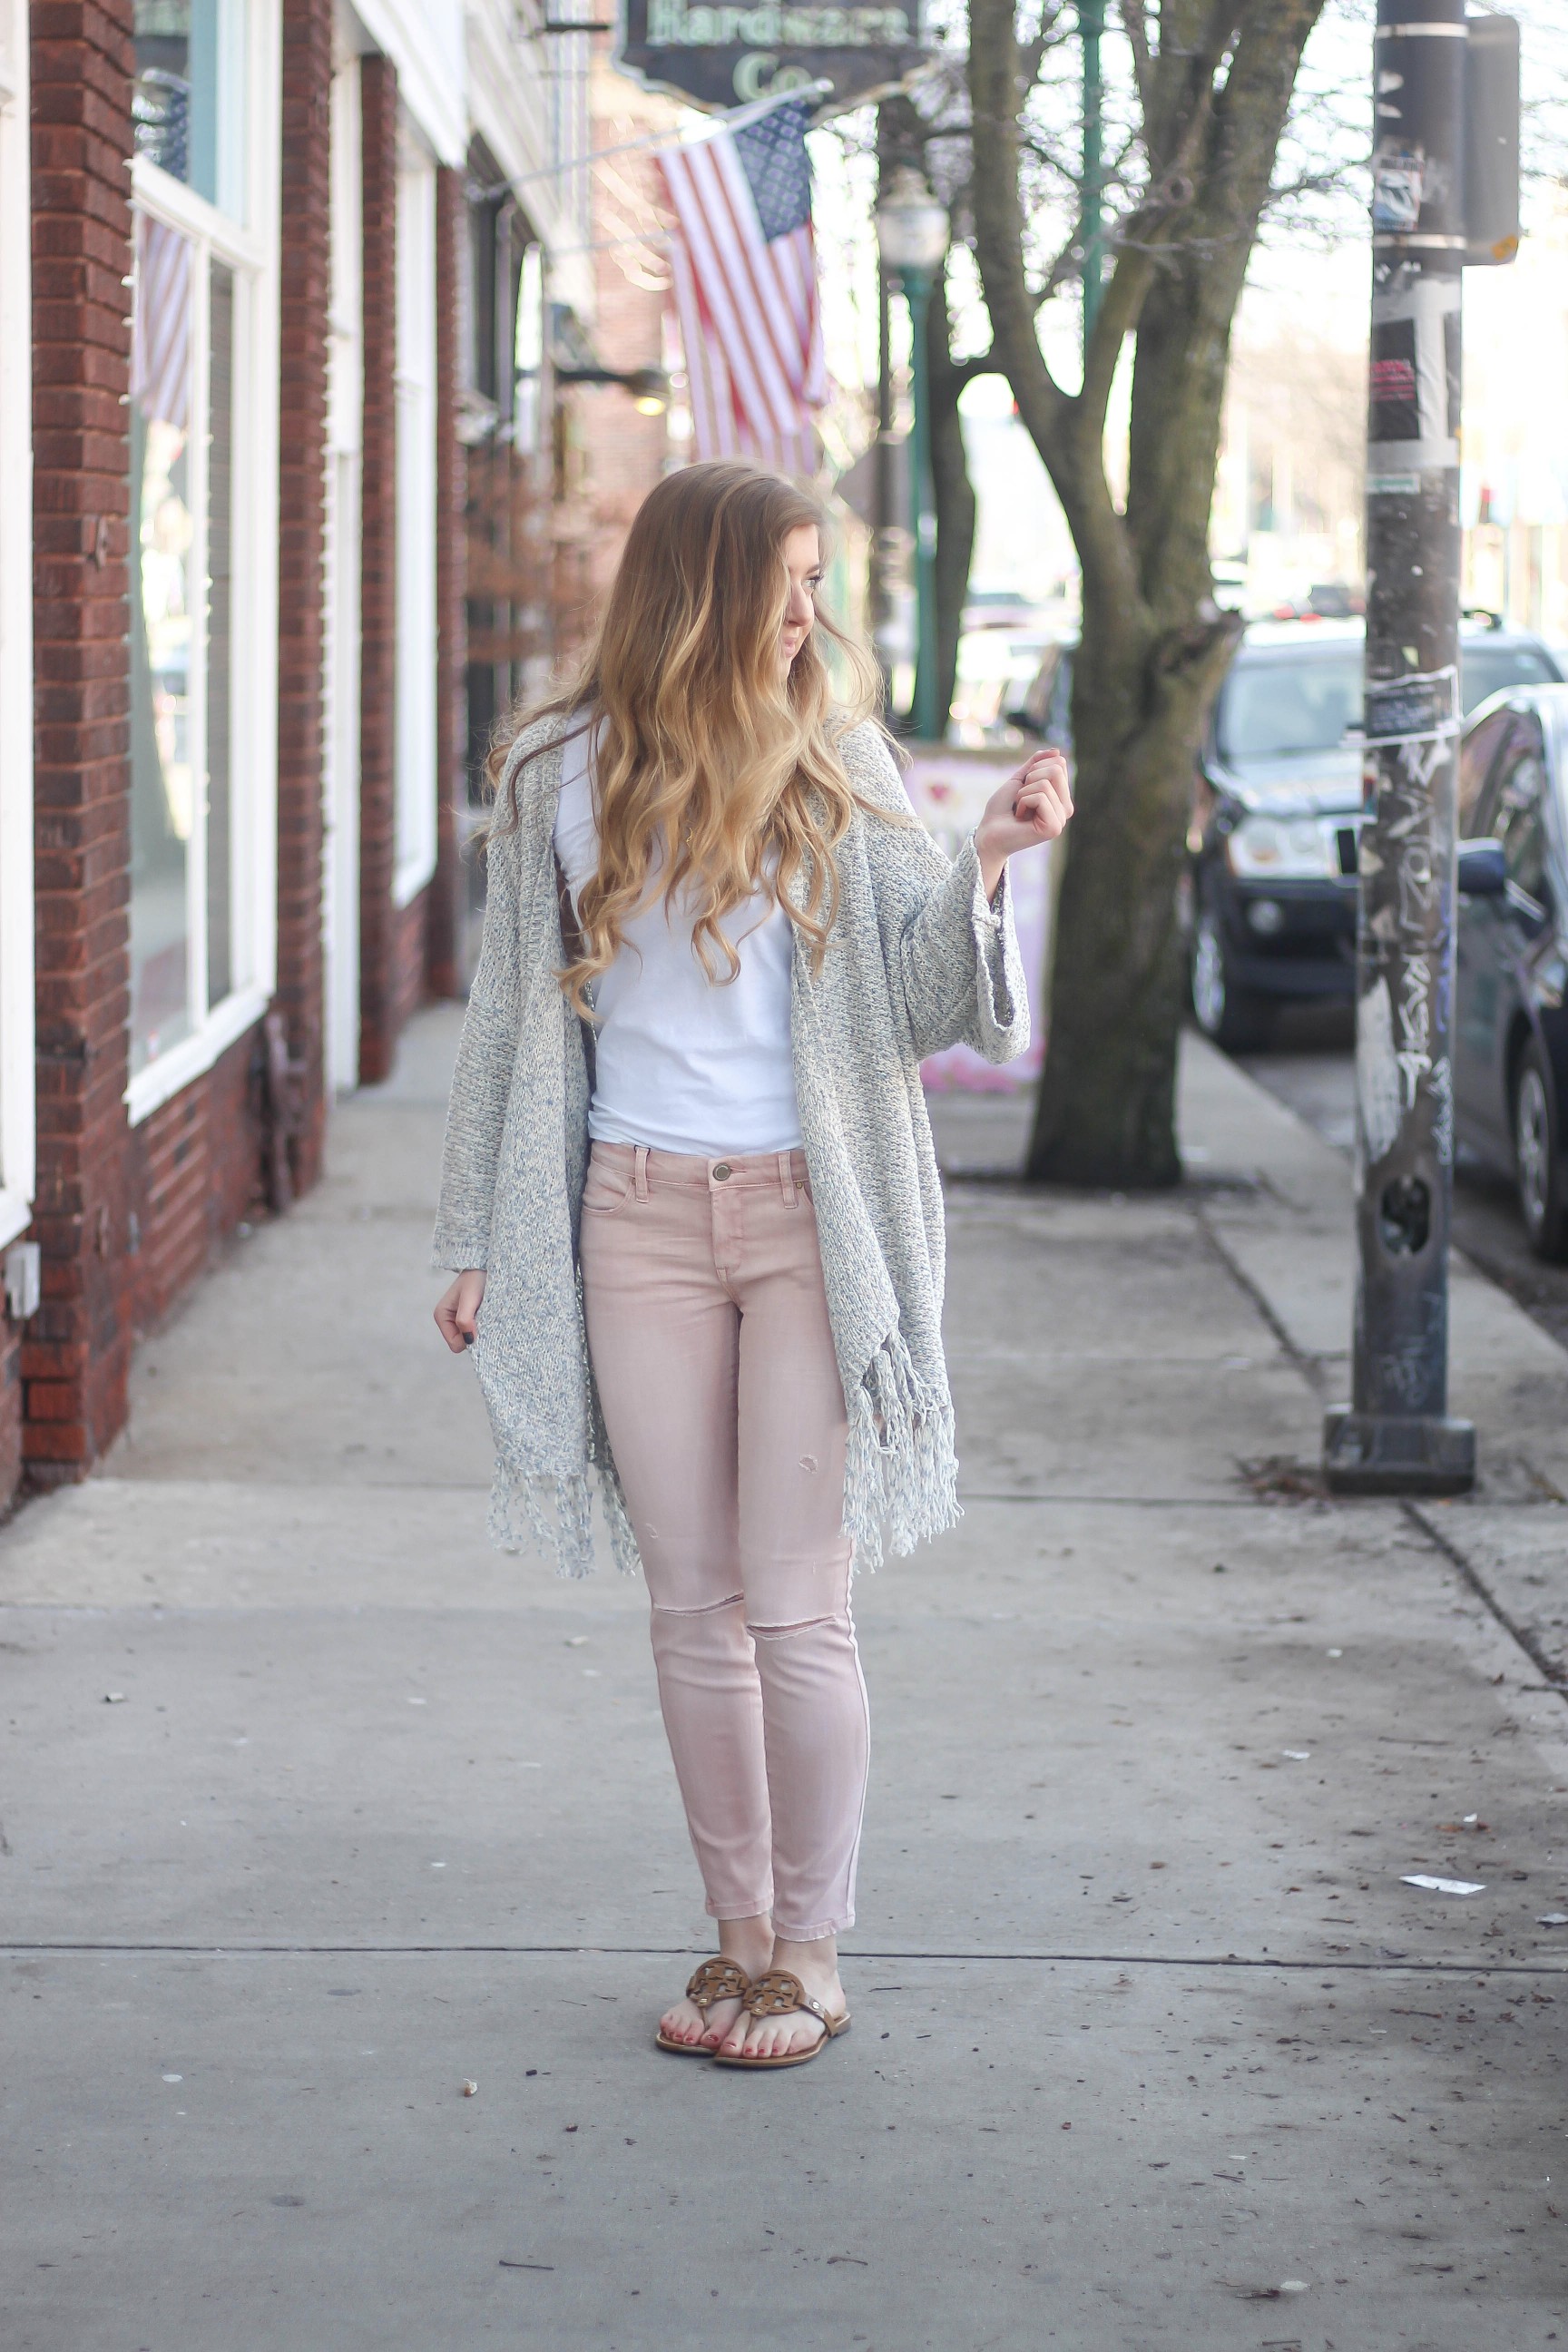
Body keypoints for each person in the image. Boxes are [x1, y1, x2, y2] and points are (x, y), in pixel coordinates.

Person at [432, 460, 1072, 2069]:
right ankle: (730, 1946)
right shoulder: (554, 774)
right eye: (786, 580)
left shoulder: (838, 758)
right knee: (691, 1606)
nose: (810, 613)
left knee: (798, 1608)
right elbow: (509, 1022)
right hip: (630, 1219)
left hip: (811, 1224)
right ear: (702, 593)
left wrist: (987, 859)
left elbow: (936, 1002)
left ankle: (810, 1951)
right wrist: (470, 1241)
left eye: (815, 580)